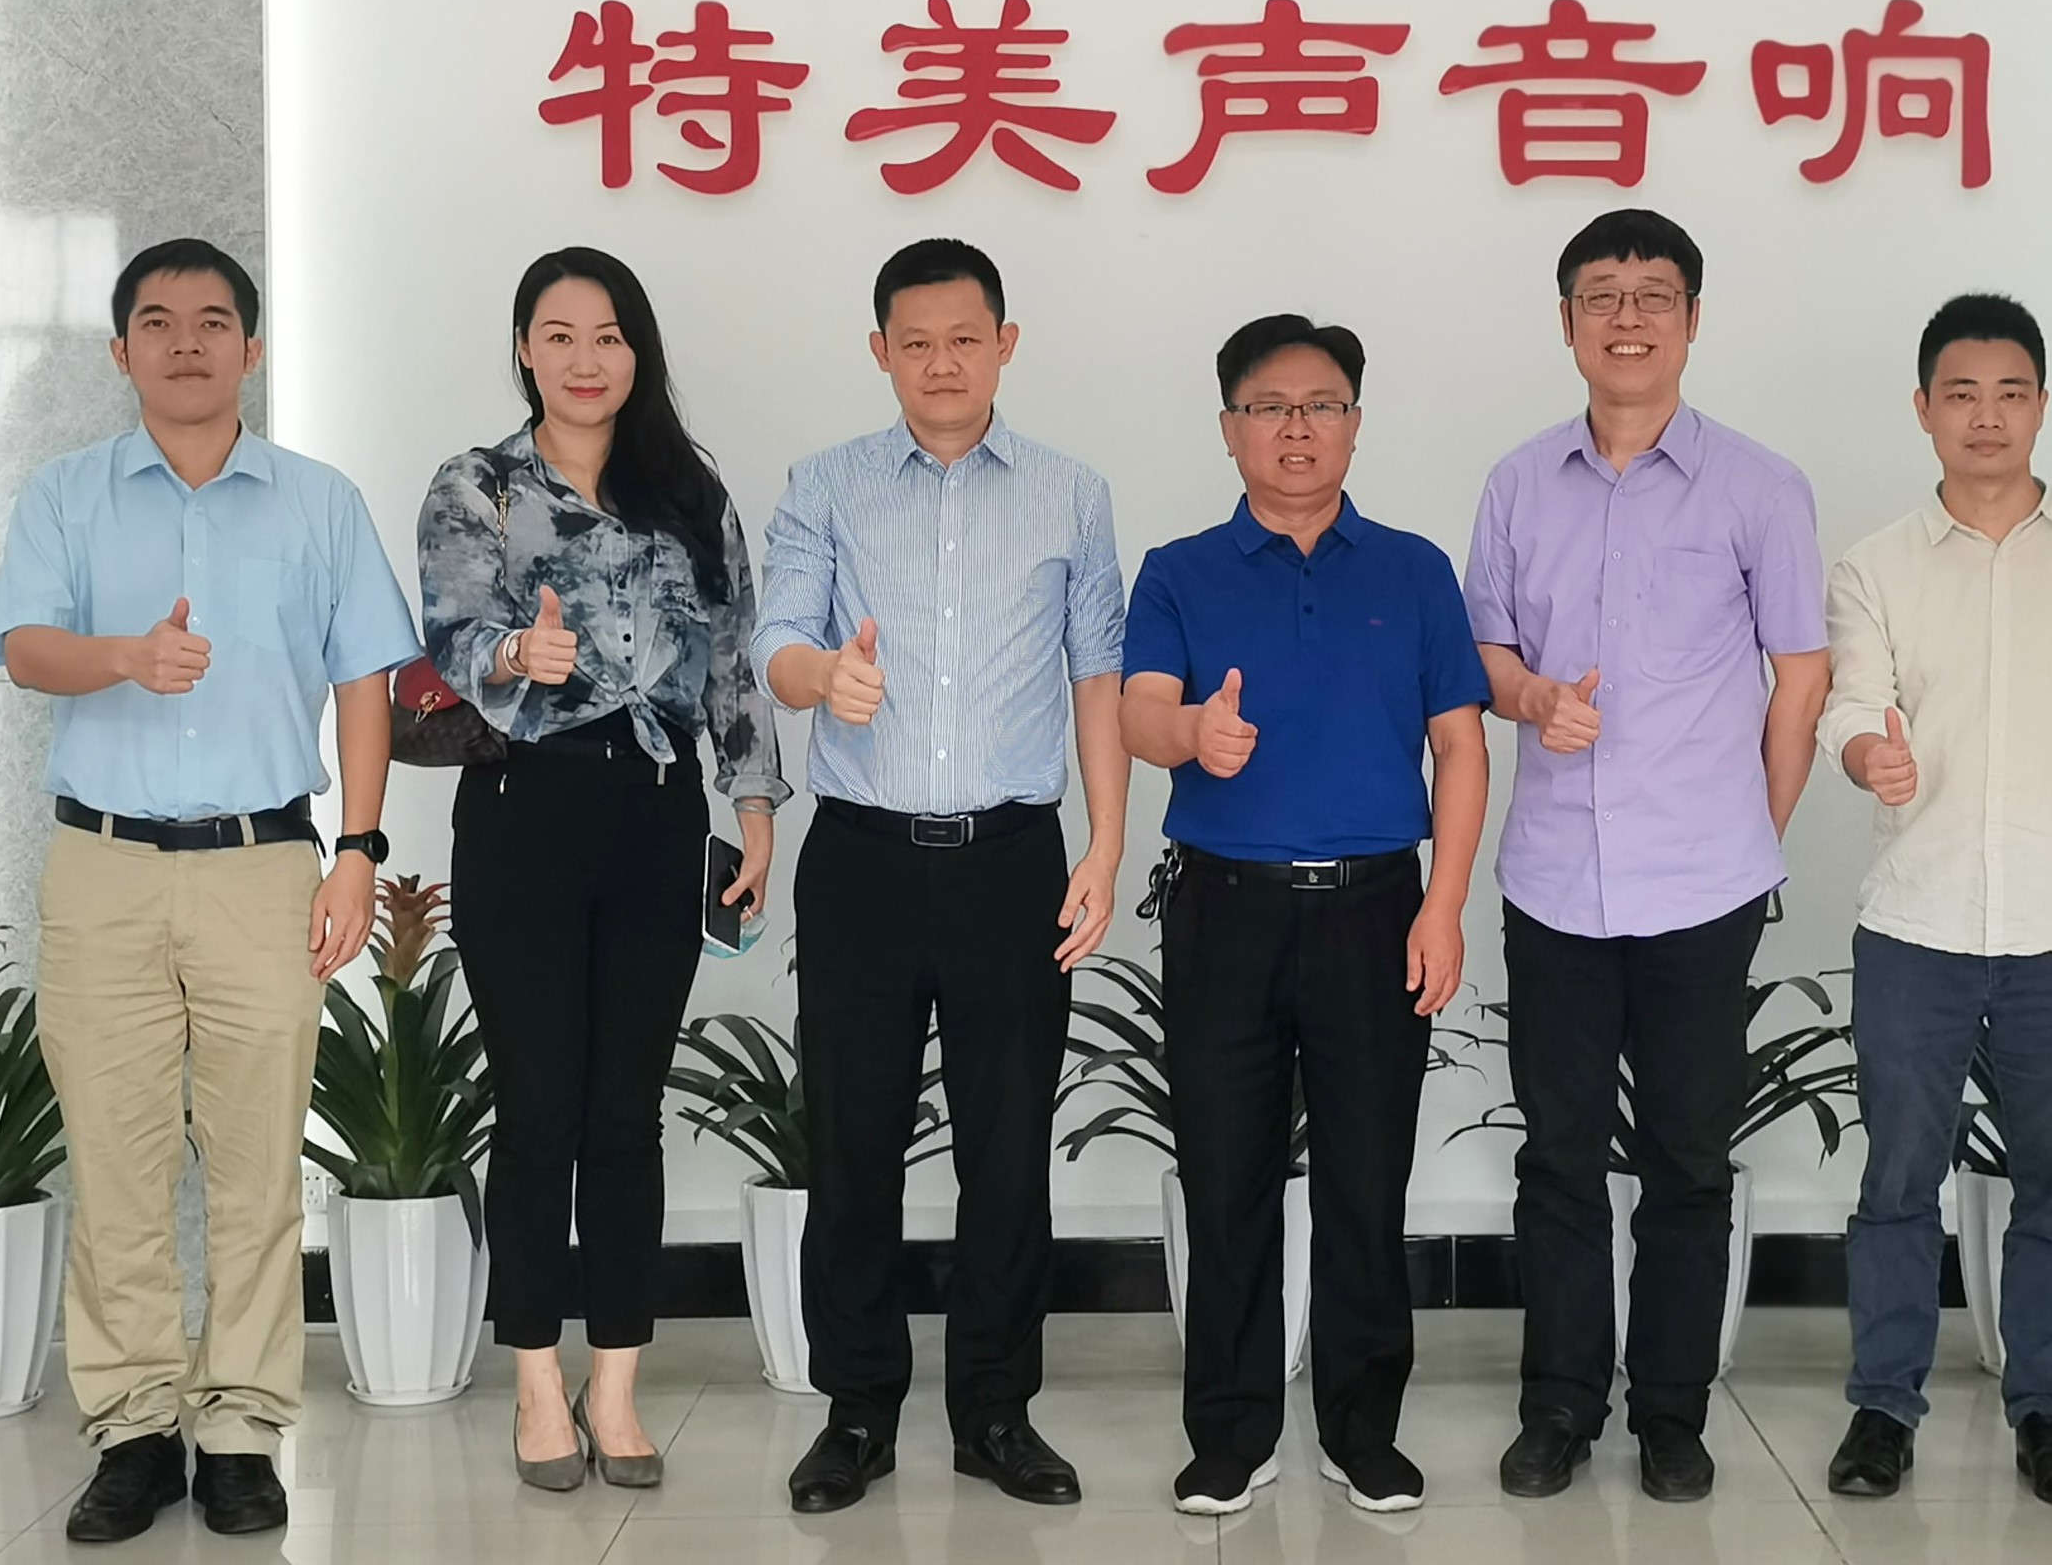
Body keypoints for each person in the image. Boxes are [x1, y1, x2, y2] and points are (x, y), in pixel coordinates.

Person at [0, 239, 419, 1543]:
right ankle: (132, 1431)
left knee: (256, 1163)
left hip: (263, 866)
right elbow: (25, 650)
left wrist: (357, 850)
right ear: (121, 352)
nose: (185, 342)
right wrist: (124, 655)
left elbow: (366, 681)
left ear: (251, 348)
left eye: (213, 320)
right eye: (157, 322)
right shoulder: (66, 494)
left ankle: (238, 1431)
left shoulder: (318, 501)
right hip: (101, 866)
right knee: (114, 1162)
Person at [755, 239, 1128, 1514]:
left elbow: (1096, 675)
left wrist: (1104, 843)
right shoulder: (826, 484)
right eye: (914, 342)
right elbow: (777, 640)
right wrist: (823, 676)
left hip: (1012, 861)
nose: (941, 363)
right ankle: (857, 1410)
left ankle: (995, 1412)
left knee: (1006, 1151)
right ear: (880, 353)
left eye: (964, 338)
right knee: (852, 1142)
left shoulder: (1071, 494)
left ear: (1004, 343)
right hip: (859, 860)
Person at [1463, 209, 1828, 1503]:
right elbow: (1485, 655)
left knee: (1686, 1162)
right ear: (1566, 320)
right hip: (1554, 878)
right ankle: (1559, 1405)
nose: (1627, 318)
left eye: (1653, 294)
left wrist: (1748, 830)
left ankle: (1670, 1413)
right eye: (1602, 295)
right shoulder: (1517, 483)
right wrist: (1529, 697)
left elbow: (1800, 677)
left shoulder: (1759, 487)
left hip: (1702, 885)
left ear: (1690, 319)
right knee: (1557, 1159)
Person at [417, 246, 788, 1491]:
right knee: (538, 1111)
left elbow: (733, 655)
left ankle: (615, 1383)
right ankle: (536, 1380)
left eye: (609, 335)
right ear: (525, 348)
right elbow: (452, 636)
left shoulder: (687, 487)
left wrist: (753, 803)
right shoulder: (476, 485)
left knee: (626, 1112)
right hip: (523, 806)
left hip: (655, 813)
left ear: (639, 352)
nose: (586, 359)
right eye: (560, 334)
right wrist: (516, 652)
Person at [1816, 293, 2052, 1509]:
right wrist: (1869, 753)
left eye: (2009, 392)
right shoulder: (1873, 564)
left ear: (2040, 405)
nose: (1985, 415)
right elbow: (1850, 701)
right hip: (1915, 922)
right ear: (1922, 408)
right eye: (1960, 393)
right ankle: (1882, 1408)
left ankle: (2050, 1414)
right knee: (1894, 1185)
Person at [1122, 313, 1491, 1519]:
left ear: (1354, 424)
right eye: (1269, 406)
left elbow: (1459, 746)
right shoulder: (1179, 569)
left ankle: (1360, 1428)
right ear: (1228, 428)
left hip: (1376, 908)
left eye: (1320, 404)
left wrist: (1443, 904)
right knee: (1224, 1176)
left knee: (1364, 1179)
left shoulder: (1412, 569)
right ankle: (1229, 1433)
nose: (1295, 427)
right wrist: (1194, 732)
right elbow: (1138, 713)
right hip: (1222, 909)